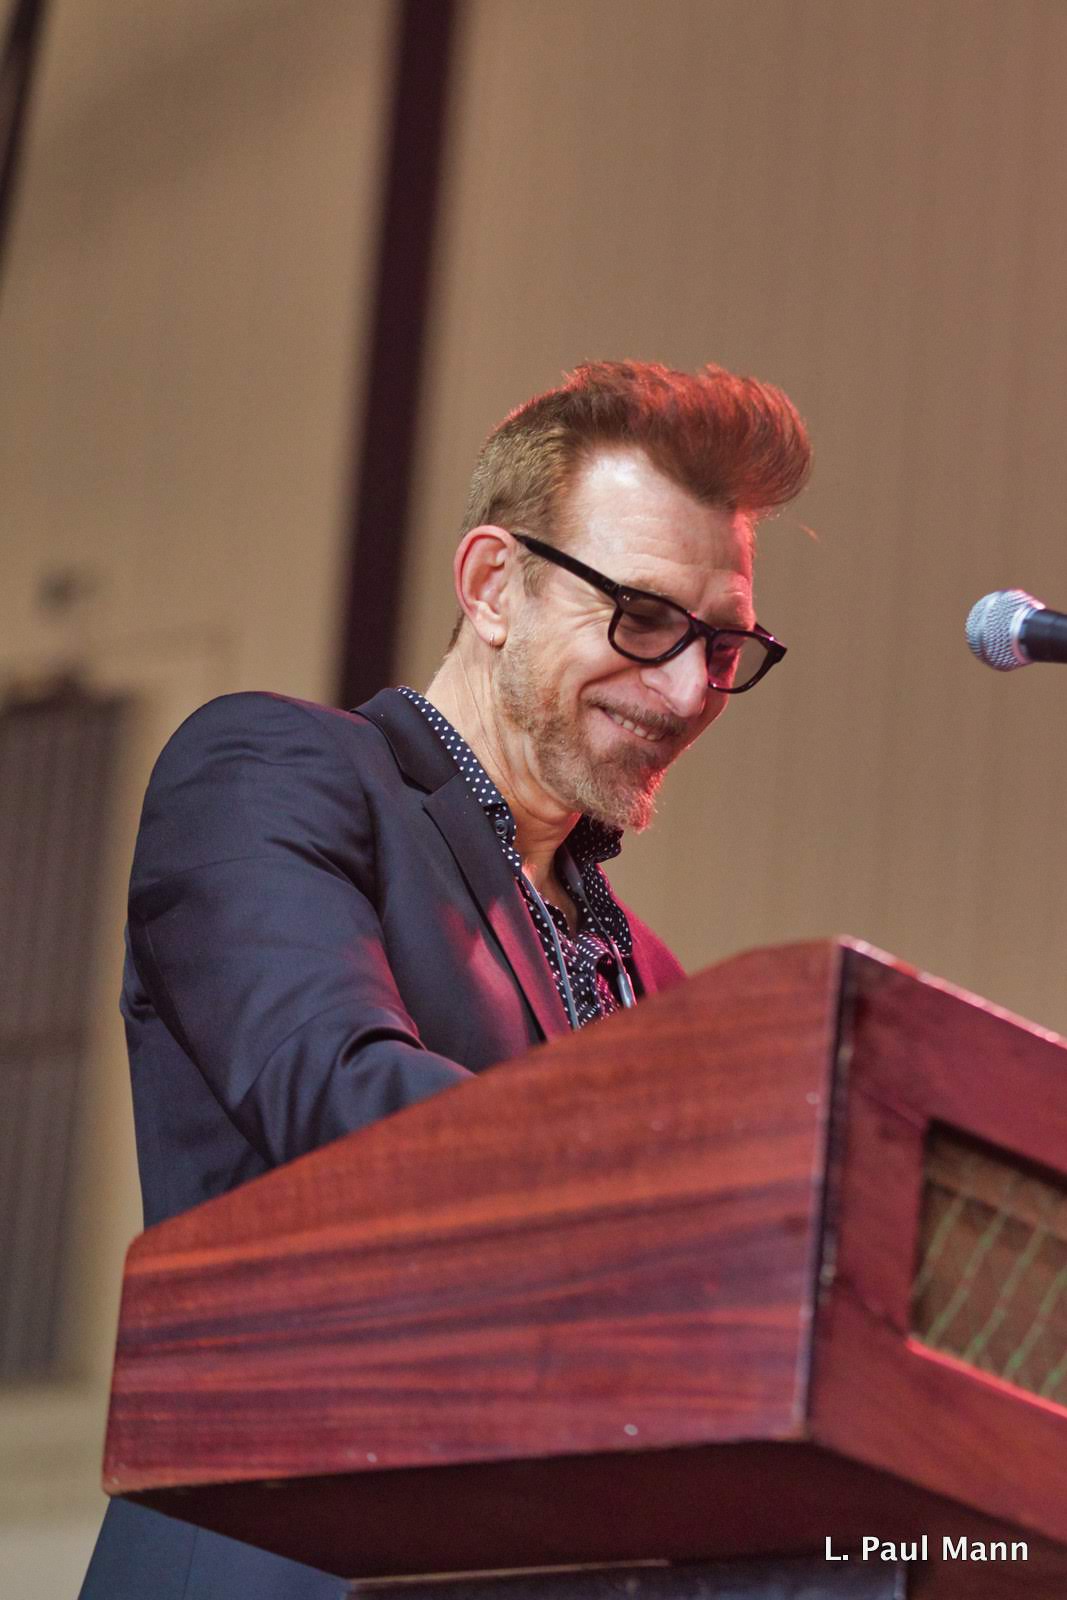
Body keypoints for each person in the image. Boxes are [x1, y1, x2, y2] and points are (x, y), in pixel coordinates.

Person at [79, 360, 811, 1598]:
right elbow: (343, 1102)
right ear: (490, 587)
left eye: (721, 642)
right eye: (641, 619)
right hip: (293, 1562)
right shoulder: (273, 769)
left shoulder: (652, 975)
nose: (689, 689)